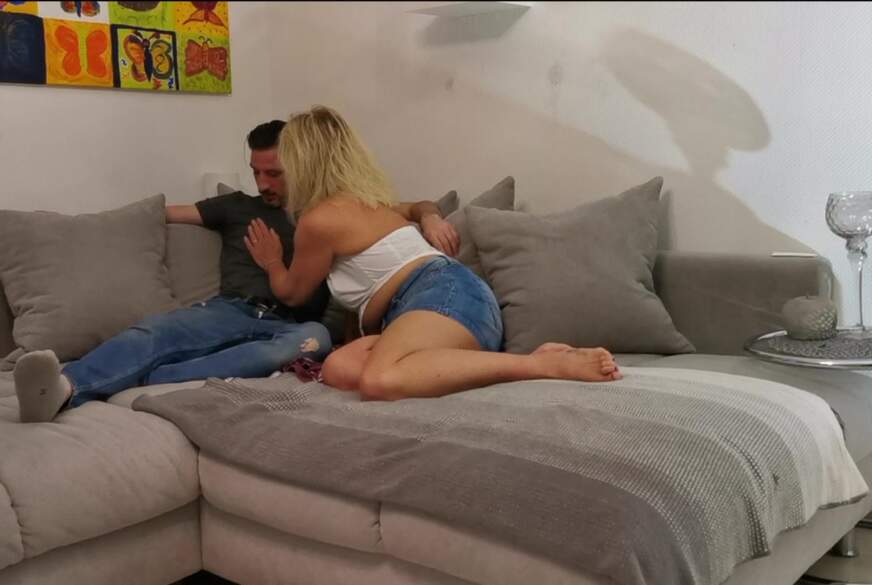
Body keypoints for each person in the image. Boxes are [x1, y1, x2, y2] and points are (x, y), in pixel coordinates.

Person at [13, 119, 459, 422]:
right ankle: (63, 386)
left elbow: (410, 206)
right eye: (256, 172)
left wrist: (431, 217)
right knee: (156, 332)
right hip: (231, 310)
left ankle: (143, 376)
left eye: (275, 173)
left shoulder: (333, 211)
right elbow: (156, 214)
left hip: (294, 326)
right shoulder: (235, 207)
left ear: (301, 165)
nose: (264, 184)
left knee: (310, 345)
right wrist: (68, 225)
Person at [244, 106, 622, 402]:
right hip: (429, 309)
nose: (275, 178)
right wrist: (426, 215)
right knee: (338, 368)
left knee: (379, 380)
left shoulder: (319, 220)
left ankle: (540, 364)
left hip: (443, 296)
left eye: (282, 167)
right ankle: (459, 367)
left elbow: (293, 293)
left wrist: (272, 261)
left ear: (302, 163)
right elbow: (417, 206)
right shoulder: (365, 203)